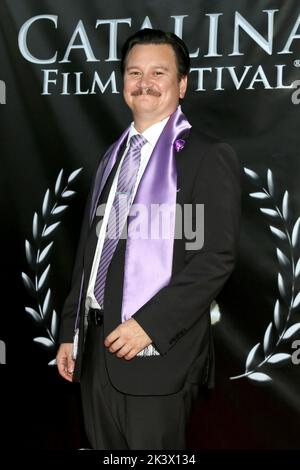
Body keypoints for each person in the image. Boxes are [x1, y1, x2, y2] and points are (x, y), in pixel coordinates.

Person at [56, 28, 241, 450]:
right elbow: (91, 251)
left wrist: (148, 326)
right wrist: (71, 330)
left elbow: (215, 258)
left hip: (157, 356)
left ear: (182, 84)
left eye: (159, 72)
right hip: (95, 351)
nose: (144, 83)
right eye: (134, 72)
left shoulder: (207, 156)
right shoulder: (112, 156)